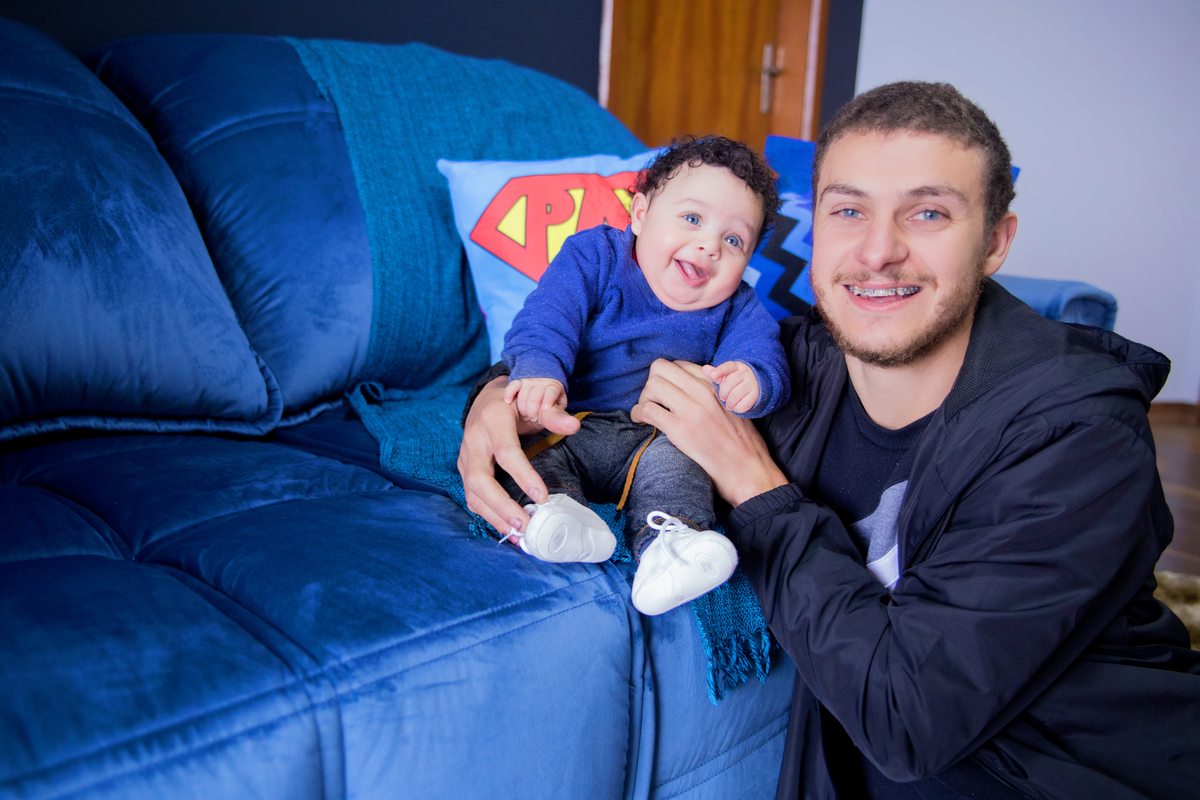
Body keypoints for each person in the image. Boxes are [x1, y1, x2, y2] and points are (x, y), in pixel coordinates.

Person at [460, 81, 1200, 798]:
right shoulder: (796, 366)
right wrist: (496, 398)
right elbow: (598, 365)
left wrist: (756, 488)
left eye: (929, 213)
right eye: (848, 211)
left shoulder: (1077, 438)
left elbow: (909, 718)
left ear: (996, 242)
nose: (878, 251)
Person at [492, 136, 790, 616]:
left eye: (734, 240)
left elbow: (765, 356)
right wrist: (541, 371)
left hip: (655, 439)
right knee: (525, 443)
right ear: (640, 213)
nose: (709, 245)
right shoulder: (595, 256)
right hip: (571, 421)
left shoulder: (737, 306)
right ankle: (555, 514)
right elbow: (547, 316)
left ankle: (669, 548)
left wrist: (753, 380)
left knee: (684, 464)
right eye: (692, 218)